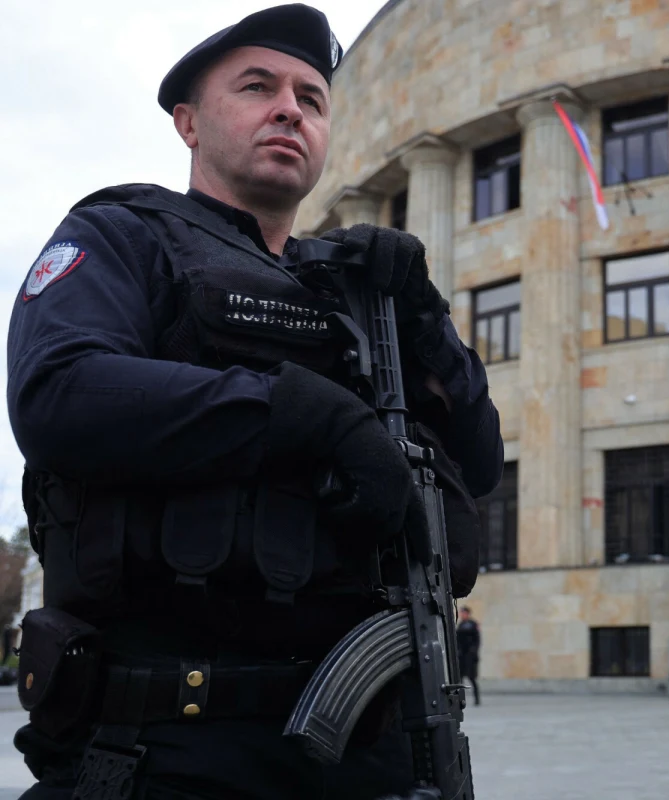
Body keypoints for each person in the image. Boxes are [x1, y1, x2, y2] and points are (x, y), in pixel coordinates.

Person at [6, 5, 501, 799]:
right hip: (168, 741)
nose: (289, 109)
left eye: (312, 98)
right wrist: (311, 417)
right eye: (258, 87)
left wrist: (425, 320)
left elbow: (478, 460)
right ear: (189, 122)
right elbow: (58, 393)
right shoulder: (125, 236)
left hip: (369, 750)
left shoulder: (363, 295)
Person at [455, 607, 481, 706]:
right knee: (459, 680)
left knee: (472, 679)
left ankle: (477, 700)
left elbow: (477, 640)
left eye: (464, 613)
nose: (462, 615)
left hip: (470, 657)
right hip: (462, 657)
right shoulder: (461, 625)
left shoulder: (473, 625)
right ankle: (460, 700)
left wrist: (473, 652)